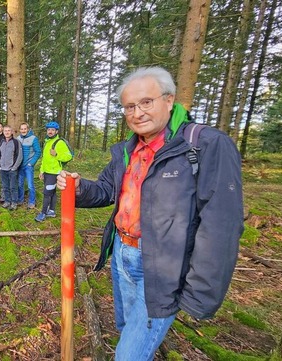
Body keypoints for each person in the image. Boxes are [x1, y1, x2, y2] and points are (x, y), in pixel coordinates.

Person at [56, 67, 244, 361]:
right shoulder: (128, 150)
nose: (137, 113)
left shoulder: (205, 145)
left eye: (146, 102)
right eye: (130, 106)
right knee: (127, 329)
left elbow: (220, 225)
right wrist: (79, 188)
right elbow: (107, 190)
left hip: (164, 267)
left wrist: (199, 295)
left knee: (128, 354)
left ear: (169, 101)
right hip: (122, 254)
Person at [34, 121, 72, 222]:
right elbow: (45, 159)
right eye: (48, 130)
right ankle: (51, 211)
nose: (50, 131)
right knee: (53, 192)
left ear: (56, 131)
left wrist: (56, 154)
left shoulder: (59, 142)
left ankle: (43, 213)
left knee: (47, 193)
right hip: (47, 172)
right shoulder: (47, 142)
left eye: (52, 130)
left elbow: (69, 156)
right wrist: (42, 171)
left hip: (54, 173)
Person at [0, 125, 23, 210]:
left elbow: (20, 156)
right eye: (5, 131)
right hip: (2, 169)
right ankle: (7, 201)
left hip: (12, 169)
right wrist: (0, 166)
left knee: (13, 187)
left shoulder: (16, 142)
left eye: (9, 130)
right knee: (5, 187)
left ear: (11, 132)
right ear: (3, 132)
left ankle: (14, 202)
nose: (7, 132)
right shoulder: (2, 142)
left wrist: (14, 167)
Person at [17, 122, 41, 209]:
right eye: (22, 129)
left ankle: (32, 201)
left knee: (30, 184)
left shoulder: (33, 138)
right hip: (20, 166)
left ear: (28, 129)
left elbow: (38, 152)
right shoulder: (18, 138)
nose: (23, 130)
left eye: (25, 129)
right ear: (20, 130)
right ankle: (20, 199)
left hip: (28, 166)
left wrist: (31, 163)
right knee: (20, 184)